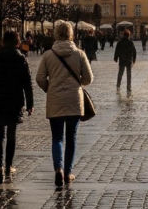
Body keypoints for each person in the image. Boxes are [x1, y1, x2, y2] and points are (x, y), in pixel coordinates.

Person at [35, 20, 93, 189]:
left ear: (56, 34)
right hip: (74, 100)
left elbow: (39, 78)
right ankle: (68, 173)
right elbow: (89, 78)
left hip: (55, 100)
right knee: (71, 138)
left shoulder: (48, 55)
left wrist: (50, 88)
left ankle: (58, 169)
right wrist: (78, 84)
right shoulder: (80, 54)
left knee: (57, 138)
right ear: (71, 35)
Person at [0, 30, 34, 185]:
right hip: (14, 101)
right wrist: (30, 104)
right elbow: (27, 84)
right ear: (17, 42)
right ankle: (9, 166)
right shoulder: (21, 59)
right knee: (11, 135)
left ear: (3, 41)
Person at [113, 28, 137, 94]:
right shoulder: (130, 42)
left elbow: (116, 51)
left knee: (120, 74)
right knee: (129, 75)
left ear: (123, 35)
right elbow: (134, 52)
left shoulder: (120, 42)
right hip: (129, 61)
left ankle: (118, 86)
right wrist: (134, 60)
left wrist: (116, 58)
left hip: (122, 60)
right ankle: (128, 88)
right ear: (128, 35)